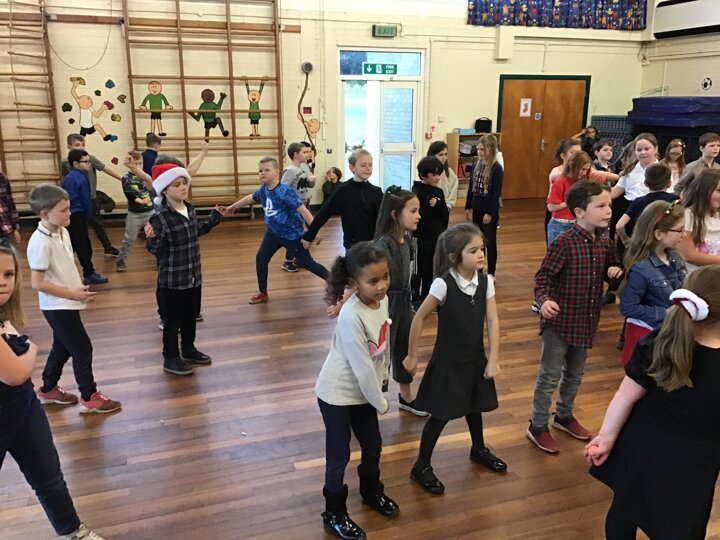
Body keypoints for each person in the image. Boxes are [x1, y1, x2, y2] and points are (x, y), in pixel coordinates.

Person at [586, 265, 720, 540]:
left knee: (624, 509)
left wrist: (606, 437)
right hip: (691, 466)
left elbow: (626, 394)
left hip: (640, 447)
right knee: (681, 527)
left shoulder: (662, 339)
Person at [0, 244, 107, 540]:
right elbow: (15, 373)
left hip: (23, 407)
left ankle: (74, 531)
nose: (3, 282)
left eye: (8, 274)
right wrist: (30, 347)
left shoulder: (4, 316)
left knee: (49, 476)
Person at [404, 223, 504, 495]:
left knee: (475, 406)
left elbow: (493, 320)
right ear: (453, 256)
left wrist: (494, 357)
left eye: (482, 248)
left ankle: (478, 448)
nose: (481, 254)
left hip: (474, 359)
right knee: (440, 415)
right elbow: (419, 317)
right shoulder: (442, 284)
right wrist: (412, 355)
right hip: (448, 363)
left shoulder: (486, 282)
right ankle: (421, 466)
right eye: (473, 250)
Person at [527, 181, 623, 454]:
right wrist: (545, 301)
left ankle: (564, 414)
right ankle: (537, 425)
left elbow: (611, 270)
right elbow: (543, 278)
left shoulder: (604, 241)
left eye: (609, 205)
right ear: (579, 212)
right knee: (549, 376)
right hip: (559, 323)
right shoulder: (564, 242)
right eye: (601, 206)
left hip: (586, 321)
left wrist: (615, 272)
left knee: (575, 374)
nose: (608, 211)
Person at [316, 242, 399, 540]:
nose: (382, 286)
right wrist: (381, 402)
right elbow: (362, 367)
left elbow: (382, 345)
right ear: (354, 283)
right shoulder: (351, 316)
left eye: (385, 277)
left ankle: (371, 490)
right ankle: (334, 512)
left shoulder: (381, 302)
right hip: (337, 394)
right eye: (373, 281)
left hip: (365, 392)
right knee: (339, 455)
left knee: (373, 444)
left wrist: (385, 376)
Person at [26, 184, 121, 413]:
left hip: (67, 302)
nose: (69, 213)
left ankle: (48, 388)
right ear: (45, 214)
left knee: (62, 346)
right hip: (56, 306)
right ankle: (89, 396)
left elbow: (62, 268)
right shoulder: (40, 242)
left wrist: (76, 290)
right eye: (64, 210)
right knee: (81, 348)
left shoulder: (62, 231)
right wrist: (72, 294)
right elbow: (37, 283)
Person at [145, 164, 227, 376]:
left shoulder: (189, 209)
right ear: (164, 190)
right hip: (173, 281)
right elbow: (154, 250)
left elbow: (196, 230)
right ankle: (170, 357)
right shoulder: (160, 218)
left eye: (185, 183)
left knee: (191, 316)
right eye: (177, 184)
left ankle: (188, 349)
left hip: (193, 277)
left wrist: (214, 217)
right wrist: (151, 238)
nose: (183, 187)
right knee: (173, 321)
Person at [227, 157, 328, 305]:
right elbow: (251, 198)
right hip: (273, 234)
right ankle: (263, 292)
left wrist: (314, 231)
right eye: (260, 171)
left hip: (292, 235)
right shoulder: (263, 190)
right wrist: (232, 207)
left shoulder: (285, 191)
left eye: (267, 170)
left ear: (277, 173)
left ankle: (339, 282)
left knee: (308, 264)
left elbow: (304, 210)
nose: (262, 173)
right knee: (261, 258)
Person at [374, 186, 424, 416]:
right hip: (387, 305)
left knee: (404, 348)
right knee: (381, 354)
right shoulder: (385, 244)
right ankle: (369, 400)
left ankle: (406, 396)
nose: (418, 216)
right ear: (395, 215)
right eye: (413, 211)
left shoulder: (408, 239)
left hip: (404, 303)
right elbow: (372, 277)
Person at [619, 200, 686, 365]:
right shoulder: (641, 268)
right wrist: (665, 313)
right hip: (646, 336)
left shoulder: (675, 257)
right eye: (680, 230)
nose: (684, 234)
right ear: (658, 234)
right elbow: (628, 307)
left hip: (668, 334)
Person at [302, 149, 383, 250]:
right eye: (363, 165)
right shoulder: (343, 190)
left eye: (370, 165)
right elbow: (324, 213)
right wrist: (309, 236)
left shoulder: (376, 192)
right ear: (352, 168)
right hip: (352, 245)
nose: (368, 168)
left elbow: (383, 218)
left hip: (373, 244)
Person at [61, 134, 122, 257]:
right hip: (76, 201)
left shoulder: (89, 158)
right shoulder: (65, 162)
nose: (81, 147)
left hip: (91, 198)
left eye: (83, 145)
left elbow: (105, 168)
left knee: (97, 224)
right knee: (74, 227)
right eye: (77, 145)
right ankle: (71, 250)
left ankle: (108, 247)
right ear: (69, 146)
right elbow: (64, 178)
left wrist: (122, 179)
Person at [62, 149, 108, 285]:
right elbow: (72, 199)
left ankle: (84, 272)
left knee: (78, 245)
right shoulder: (73, 178)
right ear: (76, 164)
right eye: (86, 162)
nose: (89, 164)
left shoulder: (80, 176)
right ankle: (88, 273)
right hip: (76, 215)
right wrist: (79, 215)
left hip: (80, 214)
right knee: (82, 245)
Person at [411, 156, 449, 304]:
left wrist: (438, 204)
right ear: (423, 175)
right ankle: (414, 297)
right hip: (421, 238)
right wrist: (428, 204)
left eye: (439, 174)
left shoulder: (439, 192)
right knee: (418, 270)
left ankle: (426, 297)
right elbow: (420, 216)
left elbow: (445, 215)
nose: (437, 178)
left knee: (431, 270)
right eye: (434, 174)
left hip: (436, 237)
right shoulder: (417, 191)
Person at [465, 134, 503, 277]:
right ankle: (478, 270)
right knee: (478, 241)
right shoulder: (476, 165)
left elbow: (496, 193)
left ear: (490, 149)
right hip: (477, 208)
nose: (479, 152)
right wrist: (468, 206)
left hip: (488, 211)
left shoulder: (496, 168)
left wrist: (490, 213)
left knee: (490, 242)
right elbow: (471, 188)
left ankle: (491, 272)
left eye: (482, 149)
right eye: (478, 149)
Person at [610, 133, 659, 245]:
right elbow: (616, 191)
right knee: (624, 246)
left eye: (647, 149)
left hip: (649, 211)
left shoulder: (662, 170)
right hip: (628, 211)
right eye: (639, 150)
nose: (643, 152)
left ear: (655, 149)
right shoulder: (630, 169)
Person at [615, 163, 678, 248]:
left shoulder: (638, 201)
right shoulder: (675, 200)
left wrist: (626, 241)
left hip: (643, 244)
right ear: (669, 183)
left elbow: (619, 226)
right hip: (666, 243)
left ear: (645, 183)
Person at [116, 151, 154, 272]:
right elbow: (130, 195)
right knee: (129, 239)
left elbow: (152, 190)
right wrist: (142, 201)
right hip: (135, 214)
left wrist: (149, 199)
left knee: (158, 235)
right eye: (135, 163)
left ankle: (162, 257)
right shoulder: (126, 178)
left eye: (140, 163)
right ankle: (121, 260)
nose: (138, 166)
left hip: (150, 212)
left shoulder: (146, 176)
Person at [281, 142, 317, 271]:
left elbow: (306, 185)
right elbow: (282, 188)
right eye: (304, 152)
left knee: (302, 232)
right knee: (295, 234)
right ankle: (288, 261)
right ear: (296, 155)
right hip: (295, 207)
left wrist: (311, 181)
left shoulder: (303, 168)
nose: (307, 154)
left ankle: (299, 258)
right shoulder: (290, 170)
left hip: (304, 204)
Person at [677, 168, 720, 272]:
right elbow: (689, 255)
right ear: (704, 190)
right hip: (697, 276)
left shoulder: (717, 215)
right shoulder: (687, 216)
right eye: (719, 191)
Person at [546, 151, 593, 246]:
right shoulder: (560, 181)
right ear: (573, 166)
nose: (584, 173)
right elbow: (551, 207)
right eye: (582, 169)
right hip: (560, 225)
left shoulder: (581, 181)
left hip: (576, 224)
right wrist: (572, 201)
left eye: (586, 170)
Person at [427, 141, 458, 209]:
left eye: (445, 154)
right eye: (440, 155)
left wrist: (449, 205)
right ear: (433, 155)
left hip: (445, 207)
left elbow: (454, 189)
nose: (444, 157)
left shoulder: (449, 171)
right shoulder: (426, 171)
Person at [0, 165, 21, 246]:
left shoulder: (2, 178)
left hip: (3, 229)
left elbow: (10, 203)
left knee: (6, 252)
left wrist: (15, 228)